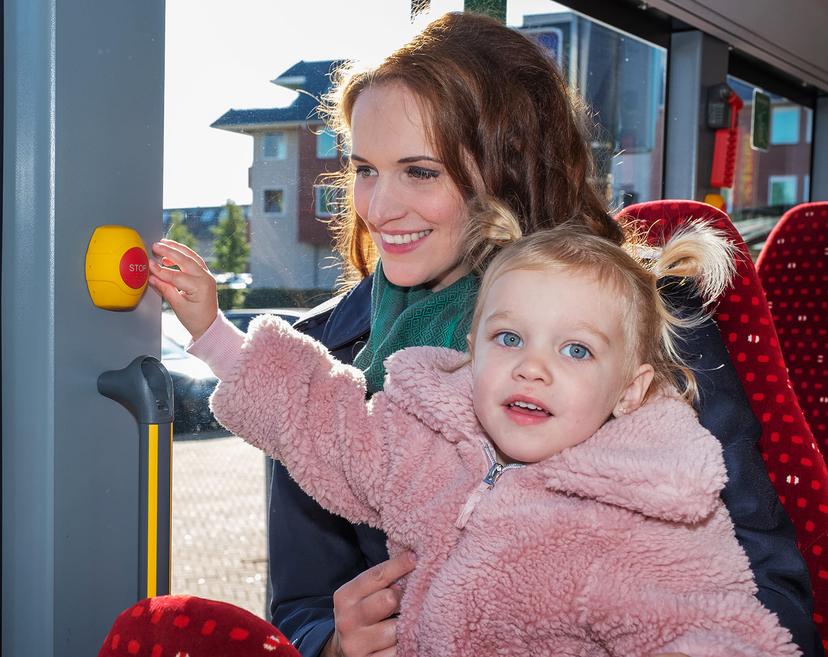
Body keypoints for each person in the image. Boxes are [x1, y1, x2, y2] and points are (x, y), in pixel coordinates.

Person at [148, 11, 820, 657]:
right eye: (364, 169)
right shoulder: (318, 356)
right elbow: (297, 606)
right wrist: (336, 642)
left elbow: (768, 591)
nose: (380, 207)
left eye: (420, 171)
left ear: (507, 170)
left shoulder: (648, 321)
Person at [206, 219, 799, 657]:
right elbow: (322, 422)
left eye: (576, 350)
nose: (532, 367)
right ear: (473, 349)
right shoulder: (426, 437)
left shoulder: (644, 507)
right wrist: (214, 335)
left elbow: (713, 631)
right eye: (510, 339)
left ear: (630, 389)